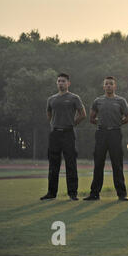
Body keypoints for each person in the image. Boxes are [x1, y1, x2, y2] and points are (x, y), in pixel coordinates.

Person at [83, 76, 128, 201]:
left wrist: (117, 123)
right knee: (98, 164)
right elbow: (92, 118)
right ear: (103, 86)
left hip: (115, 133)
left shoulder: (121, 100)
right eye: (106, 84)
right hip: (101, 134)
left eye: (111, 84)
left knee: (117, 164)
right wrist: (102, 124)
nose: (109, 86)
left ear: (115, 86)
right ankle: (94, 194)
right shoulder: (98, 101)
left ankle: (122, 194)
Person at [41, 73, 86, 201]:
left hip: (68, 133)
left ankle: (72, 193)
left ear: (68, 83)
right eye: (59, 81)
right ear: (57, 83)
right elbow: (49, 113)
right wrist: (54, 124)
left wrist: (71, 124)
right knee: (53, 164)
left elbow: (83, 114)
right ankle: (51, 193)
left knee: (71, 164)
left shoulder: (74, 98)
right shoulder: (51, 99)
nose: (61, 83)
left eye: (63, 81)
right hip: (55, 134)